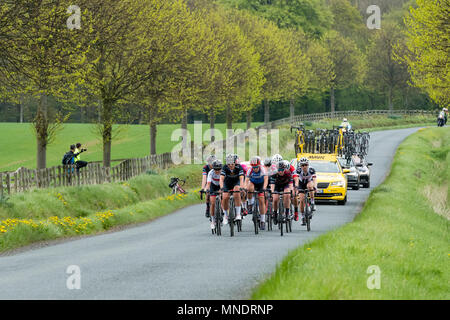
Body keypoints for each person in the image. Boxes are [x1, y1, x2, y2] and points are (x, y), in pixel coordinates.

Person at [220, 154, 245, 225]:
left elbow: (241, 178)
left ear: (235, 162)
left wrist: (242, 187)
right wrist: (222, 187)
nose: (230, 165)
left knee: (236, 192)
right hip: (227, 183)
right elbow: (221, 179)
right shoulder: (224, 167)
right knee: (225, 197)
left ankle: (238, 214)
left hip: (236, 182)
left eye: (232, 164)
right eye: (229, 164)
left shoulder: (239, 167)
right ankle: (225, 215)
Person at [245, 156, 269, 230]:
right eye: (253, 167)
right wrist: (245, 188)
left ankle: (262, 221)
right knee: (249, 188)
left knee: (261, 200)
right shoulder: (250, 170)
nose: (255, 169)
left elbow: (266, 179)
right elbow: (246, 180)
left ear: (259, 165)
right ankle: (249, 204)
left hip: (261, 184)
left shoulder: (263, 169)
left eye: (256, 167)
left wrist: (264, 188)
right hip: (253, 183)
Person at [269, 161, 294, 225]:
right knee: (275, 199)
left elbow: (291, 185)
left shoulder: (288, 173)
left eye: (282, 170)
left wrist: (291, 192)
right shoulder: (274, 174)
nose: (280, 171)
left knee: (287, 195)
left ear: (284, 169)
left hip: (285, 186)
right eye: (279, 170)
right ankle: (275, 213)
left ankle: (287, 212)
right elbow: (272, 186)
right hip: (277, 186)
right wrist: (272, 193)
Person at [296, 157, 317, 226]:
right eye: (302, 165)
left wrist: (315, 187)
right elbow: (296, 180)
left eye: (306, 165)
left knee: (310, 186)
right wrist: (296, 188)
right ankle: (302, 217)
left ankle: (312, 201)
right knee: (301, 200)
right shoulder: (298, 170)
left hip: (309, 182)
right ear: (300, 166)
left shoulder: (311, 170)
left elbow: (314, 180)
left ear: (308, 165)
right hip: (301, 184)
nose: (304, 167)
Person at [205, 159, 222, 230]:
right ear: (213, 168)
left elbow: (225, 182)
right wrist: (207, 189)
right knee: (212, 202)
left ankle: (223, 212)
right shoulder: (211, 173)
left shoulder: (223, 172)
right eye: (215, 169)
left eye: (219, 169)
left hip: (221, 185)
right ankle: (212, 220)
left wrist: (222, 189)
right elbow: (208, 183)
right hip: (213, 186)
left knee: (223, 197)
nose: (217, 171)